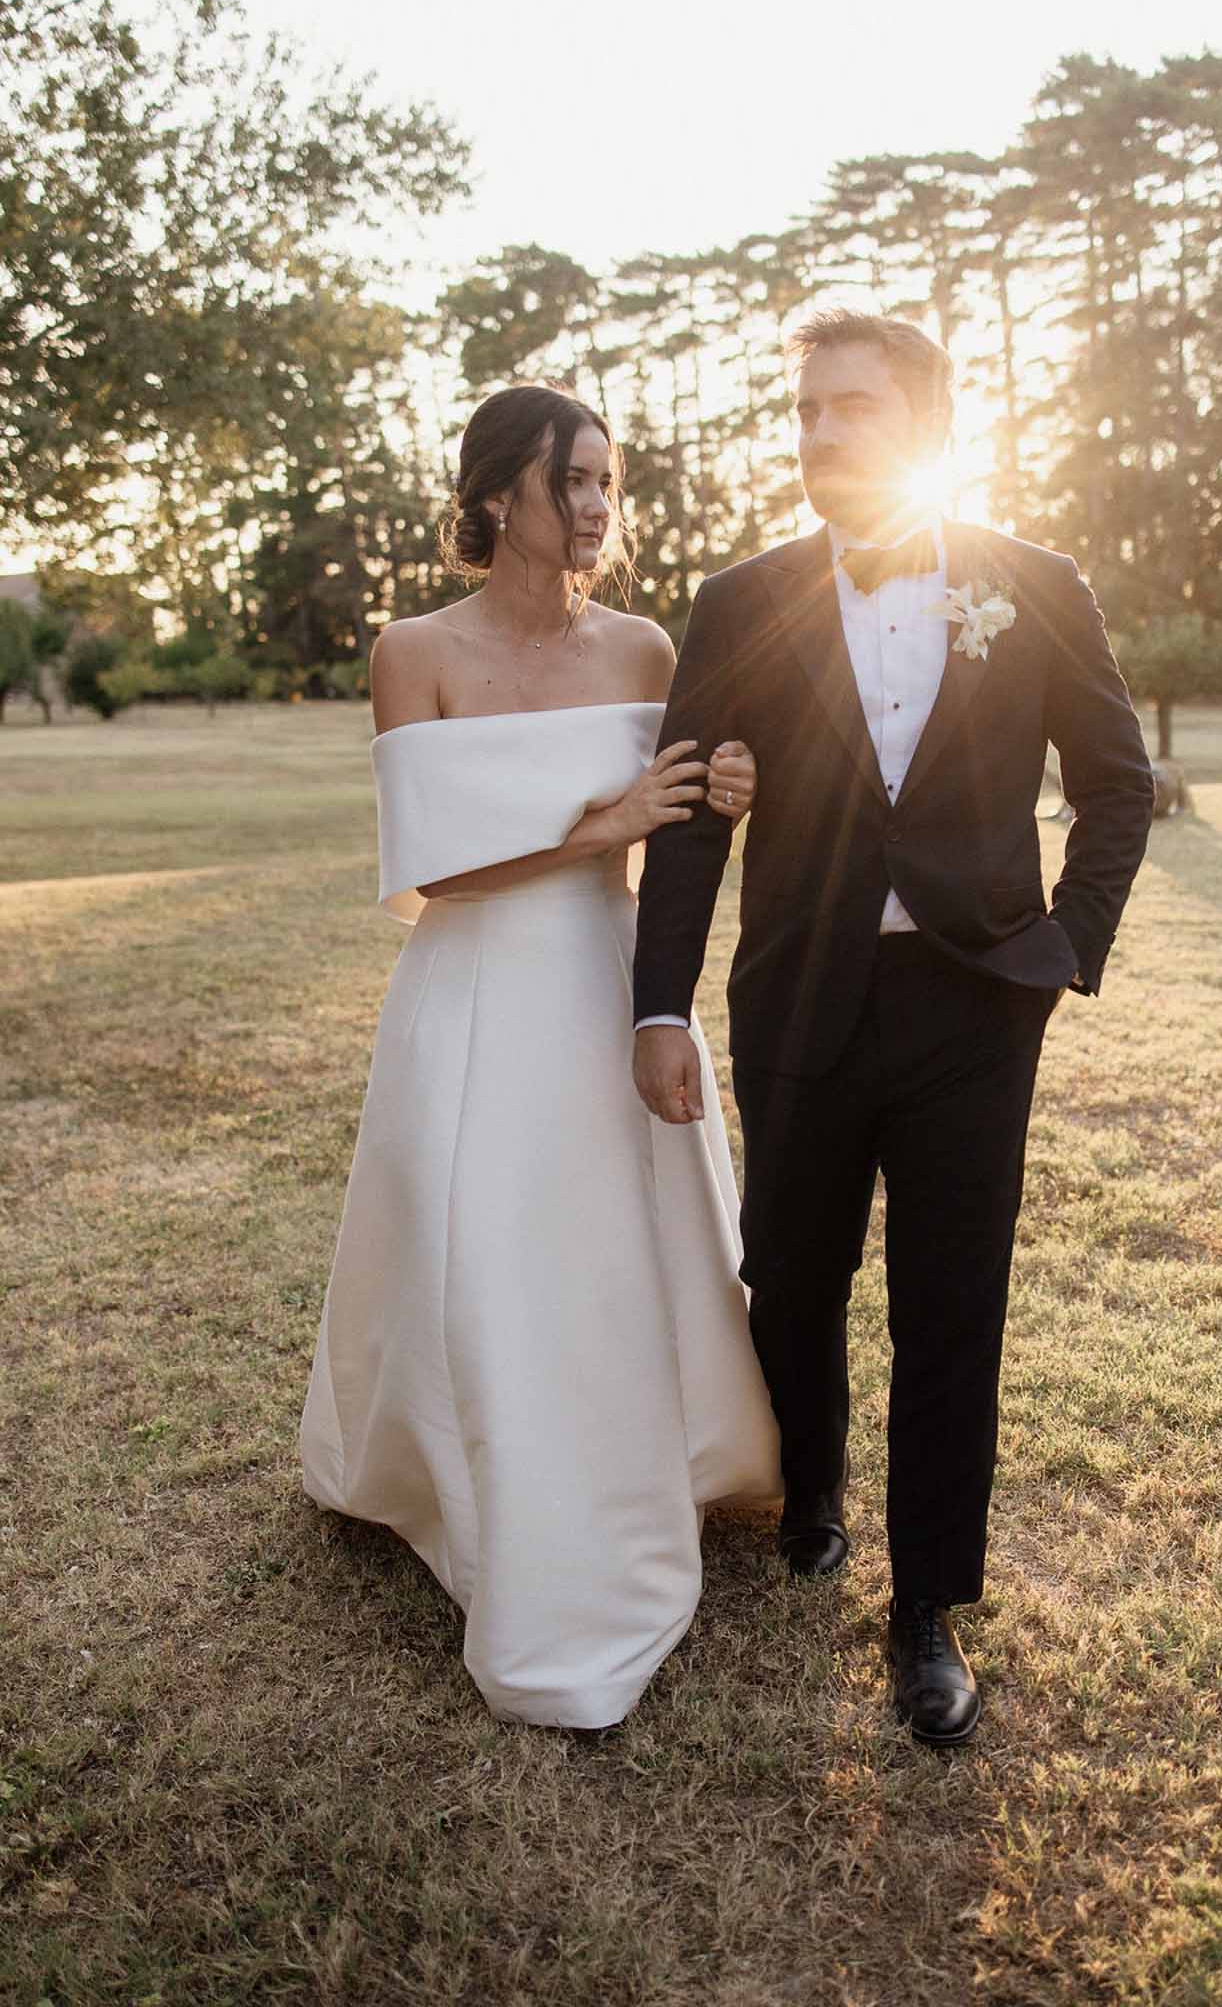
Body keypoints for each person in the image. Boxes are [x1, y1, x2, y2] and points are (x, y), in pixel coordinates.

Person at [632, 308, 1153, 1745]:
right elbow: (685, 820)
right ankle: (808, 1483)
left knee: (949, 1309)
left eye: (847, 408)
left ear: (920, 426)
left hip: (974, 1004)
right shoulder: (740, 599)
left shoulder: (1033, 582)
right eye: (802, 411)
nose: (816, 433)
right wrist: (657, 1001)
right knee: (788, 1277)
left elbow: (1115, 780)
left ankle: (923, 1607)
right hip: (797, 991)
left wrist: (1065, 944)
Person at [300, 383, 780, 1730]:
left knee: (622, 1232)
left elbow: (683, 818)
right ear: (500, 490)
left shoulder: (641, 646)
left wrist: (725, 787)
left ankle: (670, 1448)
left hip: (606, 978)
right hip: (474, 987)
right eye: (570, 480)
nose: (594, 507)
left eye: (605, 482)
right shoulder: (415, 650)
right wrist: (598, 821)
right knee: (484, 1248)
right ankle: (471, 1481)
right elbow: (432, 871)